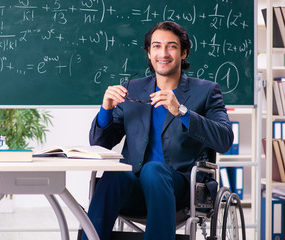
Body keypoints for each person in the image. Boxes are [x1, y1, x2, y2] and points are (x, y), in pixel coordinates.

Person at [83, 21, 234, 240]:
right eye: (156, 46)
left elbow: (225, 139)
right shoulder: (131, 89)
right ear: (149, 52)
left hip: (181, 189)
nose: (163, 53)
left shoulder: (207, 91)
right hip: (133, 189)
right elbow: (99, 143)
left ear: (184, 53)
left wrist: (181, 111)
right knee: (113, 175)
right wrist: (105, 109)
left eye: (171, 46)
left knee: (153, 170)